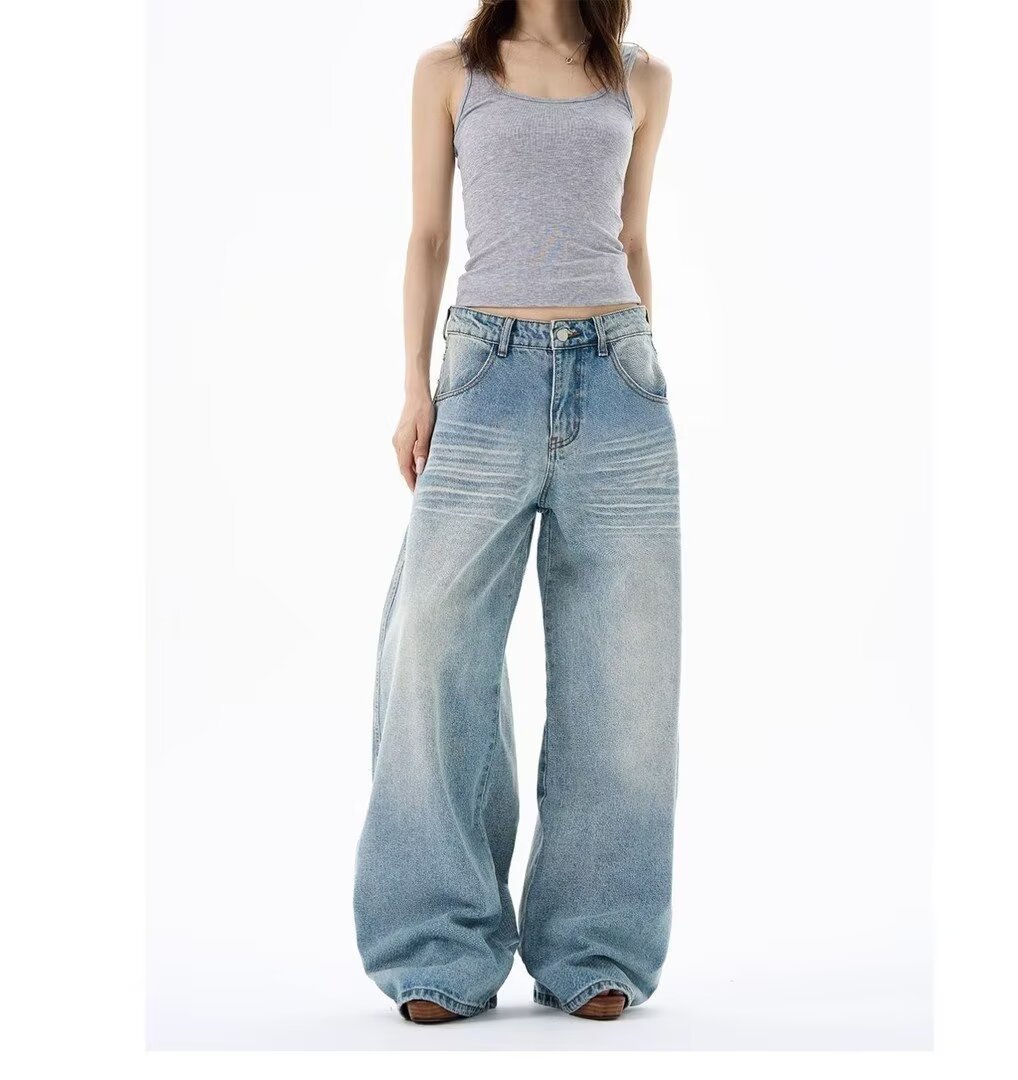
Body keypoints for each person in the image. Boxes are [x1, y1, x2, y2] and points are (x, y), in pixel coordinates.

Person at [353, 0, 678, 1024]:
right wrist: (416, 387)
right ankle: (438, 947)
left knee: (624, 672)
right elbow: (427, 236)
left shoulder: (641, 76)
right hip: (483, 377)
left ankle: (596, 945)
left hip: (619, 377)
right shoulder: (451, 71)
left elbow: (631, 237)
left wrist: (640, 365)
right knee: (434, 651)